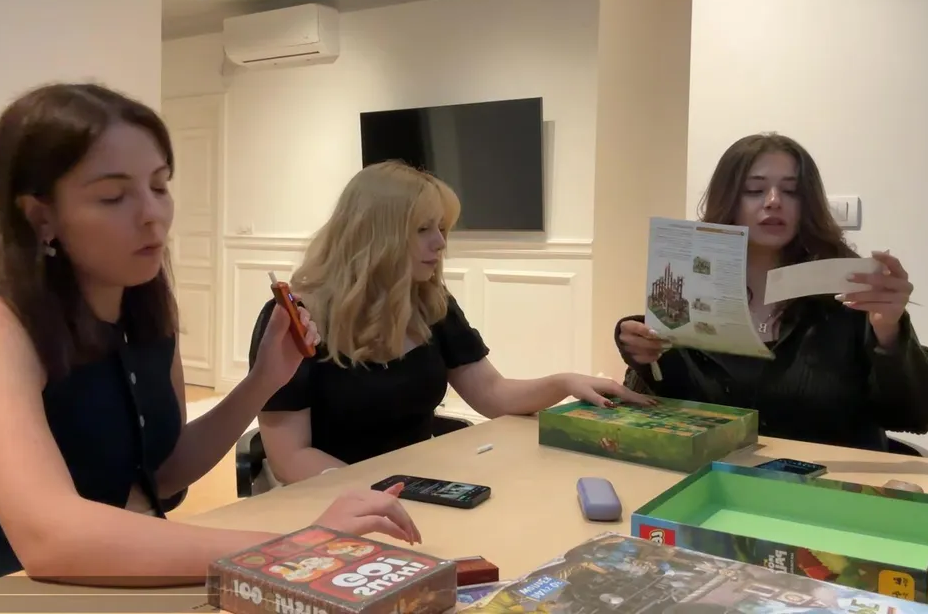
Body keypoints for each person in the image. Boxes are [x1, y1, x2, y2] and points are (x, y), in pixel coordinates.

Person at [0, 83, 420, 587]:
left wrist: (263, 381)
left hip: (137, 574)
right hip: (14, 592)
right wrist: (298, 544)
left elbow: (164, 473)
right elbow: (52, 540)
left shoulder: (143, 312)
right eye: (113, 196)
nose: (153, 214)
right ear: (41, 217)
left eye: (160, 186)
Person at [255, 161, 654, 485]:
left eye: (442, 229)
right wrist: (375, 493)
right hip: (335, 502)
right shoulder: (295, 320)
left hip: (413, 489)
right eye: (423, 229)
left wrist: (564, 383)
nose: (441, 243)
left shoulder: (432, 304)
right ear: (375, 236)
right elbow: (291, 457)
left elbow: (492, 394)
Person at [614, 132, 928, 452]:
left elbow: (917, 415)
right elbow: (672, 405)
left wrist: (890, 333)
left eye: (791, 191)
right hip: (717, 477)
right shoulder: (693, 286)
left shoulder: (849, 292)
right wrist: (639, 343)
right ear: (728, 199)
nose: (774, 202)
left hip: (826, 485)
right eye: (754, 190)